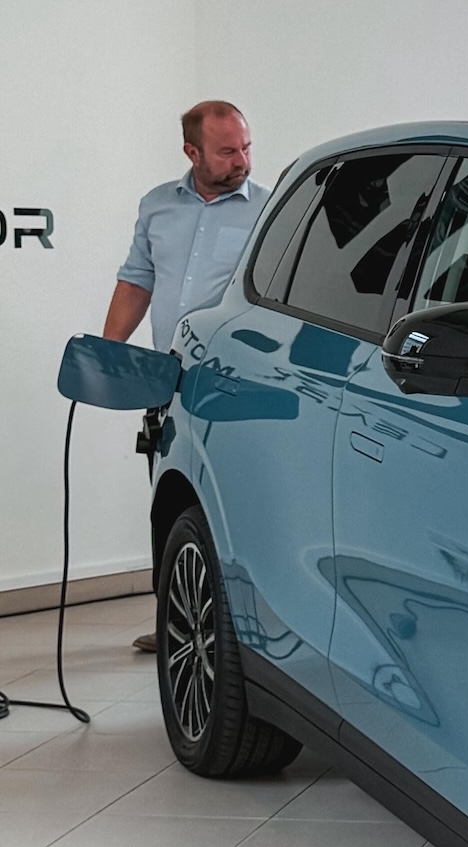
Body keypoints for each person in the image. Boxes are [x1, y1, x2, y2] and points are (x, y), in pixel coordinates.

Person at [105, 100, 266, 652]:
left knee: (230, 504)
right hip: (167, 379)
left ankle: (241, 632)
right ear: (191, 152)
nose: (241, 160)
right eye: (227, 151)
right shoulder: (157, 206)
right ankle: (176, 622)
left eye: (245, 147)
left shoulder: (268, 211)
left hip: (234, 383)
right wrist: (109, 353)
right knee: (170, 501)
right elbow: (136, 280)